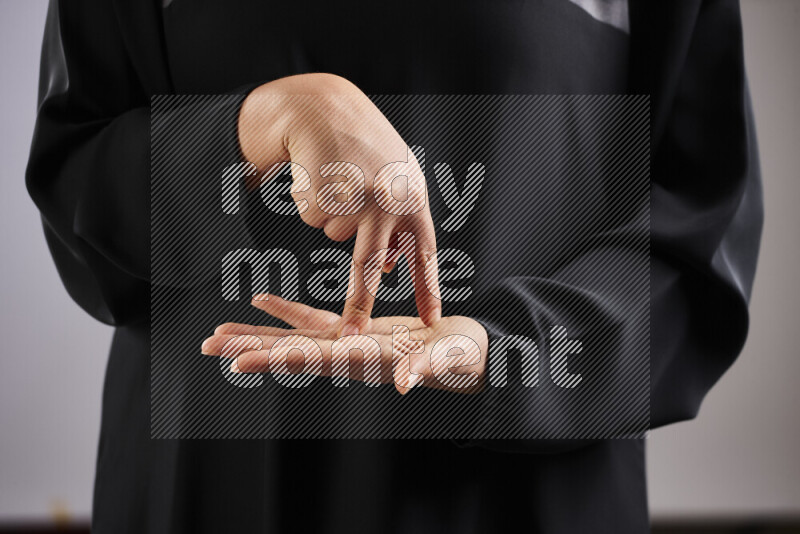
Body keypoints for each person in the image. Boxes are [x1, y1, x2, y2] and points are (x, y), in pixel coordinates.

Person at [26, 0, 762, 532]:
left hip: (524, 498)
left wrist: (505, 349)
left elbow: (695, 242)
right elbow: (78, 198)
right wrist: (259, 124)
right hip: (208, 487)